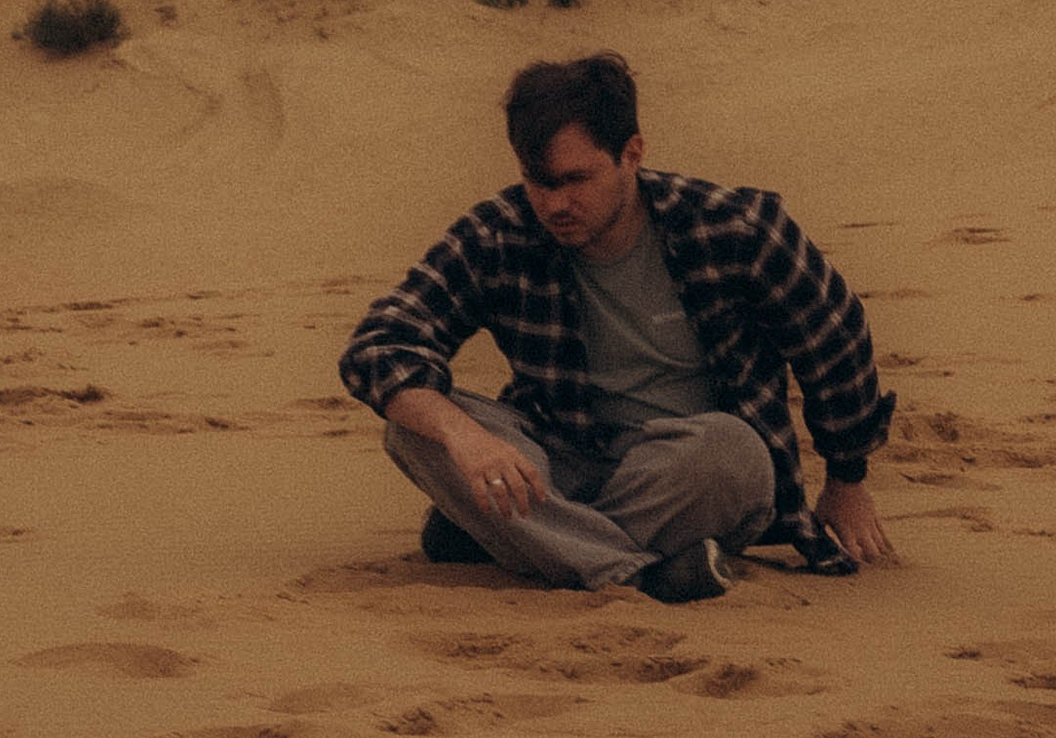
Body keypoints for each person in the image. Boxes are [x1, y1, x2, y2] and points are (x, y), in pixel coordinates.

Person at [339, 49, 896, 602]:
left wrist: (847, 480)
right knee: (414, 421)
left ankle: (517, 539)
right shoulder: (499, 233)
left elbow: (835, 338)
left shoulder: (733, 227)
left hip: (682, 474)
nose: (555, 203)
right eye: (538, 181)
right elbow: (380, 345)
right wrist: (465, 437)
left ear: (632, 154)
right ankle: (639, 574)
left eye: (576, 179)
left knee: (737, 453)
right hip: (559, 462)